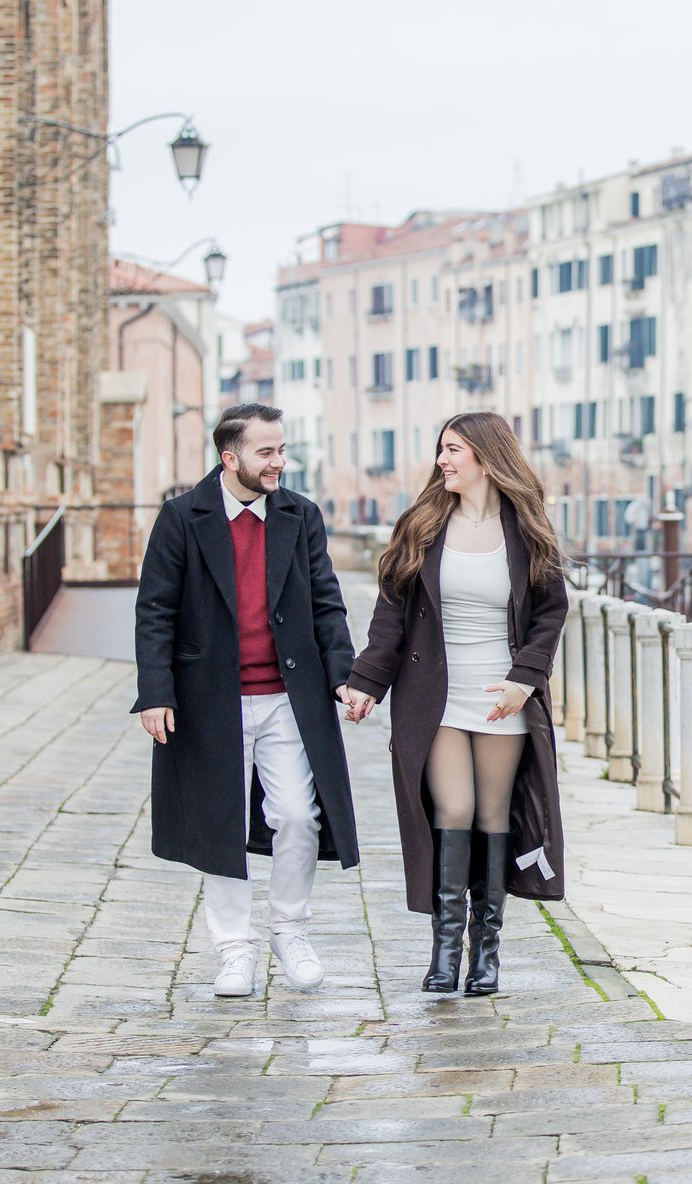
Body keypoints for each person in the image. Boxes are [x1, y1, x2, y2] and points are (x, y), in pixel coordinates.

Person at [132, 403, 364, 997]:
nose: (278, 462)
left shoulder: (300, 515)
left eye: (281, 449)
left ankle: (290, 930)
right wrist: (155, 692)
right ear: (229, 457)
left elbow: (326, 601)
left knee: (297, 815)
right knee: (221, 821)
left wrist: (343, 675)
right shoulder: (182, 517)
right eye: (266, 452)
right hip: (210, 700)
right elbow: (155, 609)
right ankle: (235, 950)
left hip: (289, 696)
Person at [342, 412, 567, 995]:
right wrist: (366, 682)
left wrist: (525, 680)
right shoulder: (421, 525)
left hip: (500, 698)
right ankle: (444, 951)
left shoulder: (527, 529)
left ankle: (485, 952)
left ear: (487, 458)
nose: (442, 460)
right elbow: (390, 616)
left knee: (493, 815)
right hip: (433, 697)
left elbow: (550, 613)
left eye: (454, 449)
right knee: (454, 808)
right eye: (441, 449)